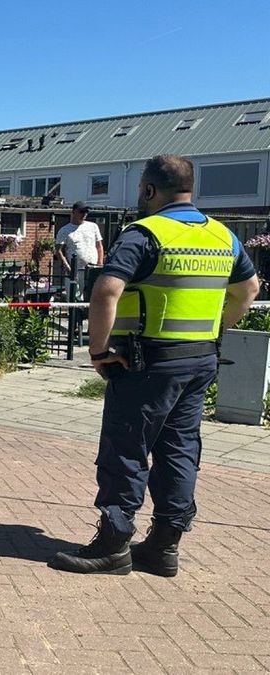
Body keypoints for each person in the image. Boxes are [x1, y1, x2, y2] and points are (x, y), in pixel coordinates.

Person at [50, 155, 260, 575]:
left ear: (148, 189)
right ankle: (165, 546)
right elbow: (249, 289)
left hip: (147, 362)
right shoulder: (223, 236)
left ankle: (113, 545)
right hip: (200, 359)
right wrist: (215, 329)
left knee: (126, 449)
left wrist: (98, 352)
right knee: (179, 450)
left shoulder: (144, 234)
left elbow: (106, 291)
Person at [55, 202, 105, 301]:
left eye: (86, 211)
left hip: (91, 269)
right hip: (75, 270)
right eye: (82, 211)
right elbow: (58, 250)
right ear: (73, 212)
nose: (84, 214)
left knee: (91, 298)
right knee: (74, 298)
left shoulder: (93, 226)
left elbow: (99, 246)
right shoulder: (64, 230)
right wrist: (68, 268)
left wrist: (99, 265)